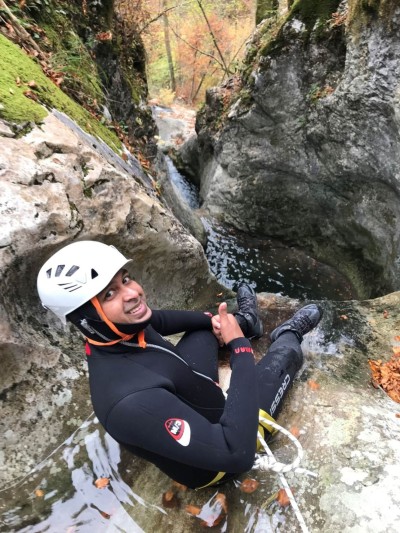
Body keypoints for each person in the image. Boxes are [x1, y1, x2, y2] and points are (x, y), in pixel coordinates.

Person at [37, 240, 323, 489]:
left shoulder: (115, 332)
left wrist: (217, 322)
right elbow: (237, 454)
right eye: (108, 294)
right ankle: (289, 335)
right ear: (86, 319)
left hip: (191, 388)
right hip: (221, 452)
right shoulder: (128, 402)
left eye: (126, 279)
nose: (133, 293)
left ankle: (248, 322)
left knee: (203, 329)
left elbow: (157, 320)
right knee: (282, 359)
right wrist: (239, 347)